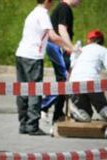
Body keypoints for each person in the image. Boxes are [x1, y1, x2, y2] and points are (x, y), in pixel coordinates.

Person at [15, 0, 72, 135]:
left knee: (23, 90)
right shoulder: (43, 14)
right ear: (47, 1)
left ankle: (23, 124)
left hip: (21, 54)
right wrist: (70, 47)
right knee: (34, 90)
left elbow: (48, 37)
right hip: (33, 57)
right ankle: (32, 126)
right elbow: (52, 36)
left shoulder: (33, 13)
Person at [41, 0, 80, 125]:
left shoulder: (61, 7)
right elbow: (62, 29)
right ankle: (44, 106)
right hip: (58, 48)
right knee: (64, 81)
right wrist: (70, 47)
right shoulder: (64, 8)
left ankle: (57, 113)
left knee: (63, 81)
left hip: (56, 47)